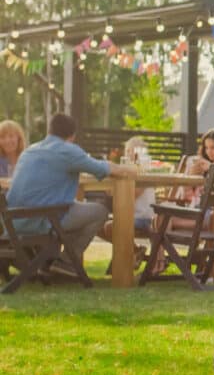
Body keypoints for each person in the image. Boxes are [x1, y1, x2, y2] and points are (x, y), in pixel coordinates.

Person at [6, 114, 137, 276]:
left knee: (75, 207)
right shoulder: (68, 151)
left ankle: (53, 262)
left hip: (12, 222)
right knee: (100, 211)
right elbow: (104, 167)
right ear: (72, 136)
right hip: (40, 220)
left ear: (49, 131)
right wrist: (133, 170)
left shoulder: (29, 151)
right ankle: (66, 261)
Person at [97, 137, 158, 271]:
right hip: (130, 215)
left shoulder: (143, 171)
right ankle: (136, 250)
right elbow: (115, 194)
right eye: (128, 150)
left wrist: (114, 191)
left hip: (144, 217)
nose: (130, 154)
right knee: (97, 225)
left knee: (110, 226)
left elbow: (133, 194)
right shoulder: (127, 171)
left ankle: (131, 254)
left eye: (133, 151)